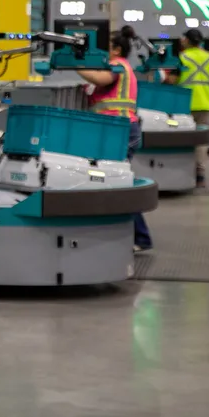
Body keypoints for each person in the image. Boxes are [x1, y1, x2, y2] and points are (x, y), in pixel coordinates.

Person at [75, 25, 152, 251]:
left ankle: (141, 237)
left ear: (117, 49)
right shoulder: (122, 66)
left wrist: (75, 63)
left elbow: (101, 79)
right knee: (116, 180)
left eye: (107, 46)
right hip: (119, 131)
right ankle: (137, 236)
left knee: (117, 181)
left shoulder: (118, 66)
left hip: (122, 132)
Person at [165, 29, 209, 187]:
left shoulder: (181, 57)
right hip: (205, 103)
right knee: (201, 142)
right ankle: (200, 174)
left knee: (183, 139)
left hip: (184, 105)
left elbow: (171, 80)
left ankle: (181, 173)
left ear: (186, 40)